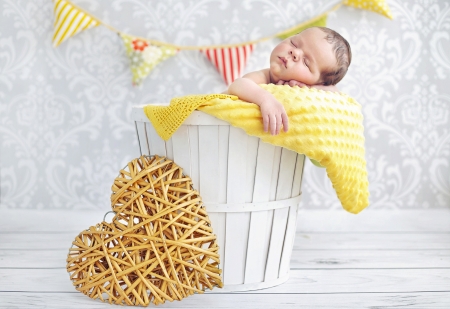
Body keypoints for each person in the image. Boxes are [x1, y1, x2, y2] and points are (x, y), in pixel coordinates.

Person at [225, 26, 352, 135]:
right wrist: (266, 99)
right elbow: (238, 84)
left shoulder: (307, 99)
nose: (294, 52)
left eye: (306, 62)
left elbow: (335, 97)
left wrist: (311, 89)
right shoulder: (264, 77)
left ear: (318, 83)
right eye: (294, 43)